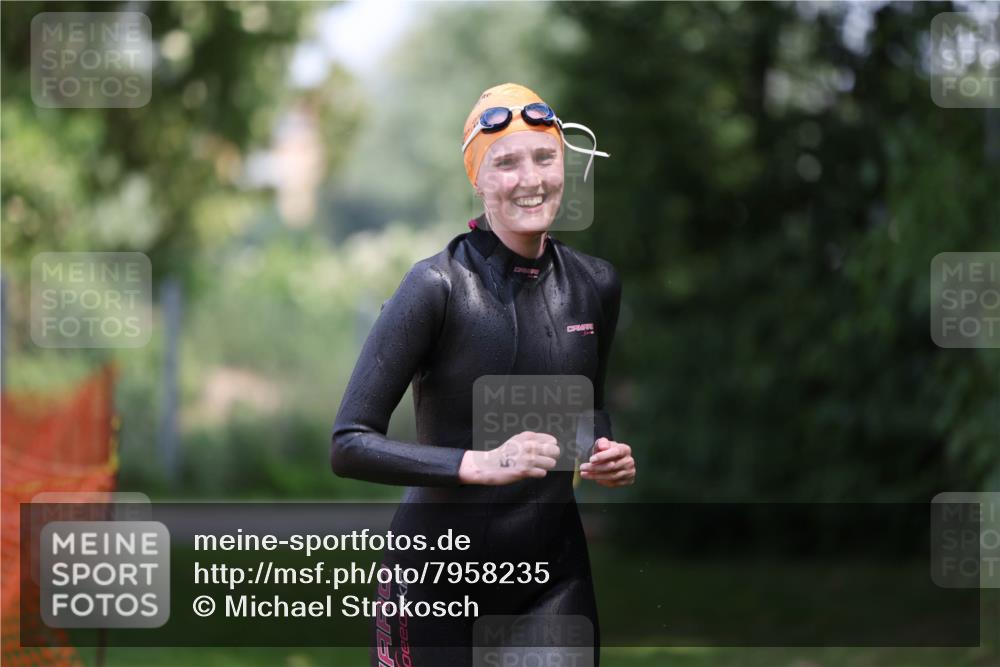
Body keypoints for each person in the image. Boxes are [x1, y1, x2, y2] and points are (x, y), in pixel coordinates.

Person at [330, 82, 636, 667]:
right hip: (437, 582)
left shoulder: (596, 284)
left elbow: (586, 410)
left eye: (545, 157)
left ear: (564, 165)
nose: (531, 179)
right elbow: (348, 444)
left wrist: (602, 453)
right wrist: (480, 463)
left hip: (554, 582)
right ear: (478, 177)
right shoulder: (436, 286)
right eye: (507, 163)